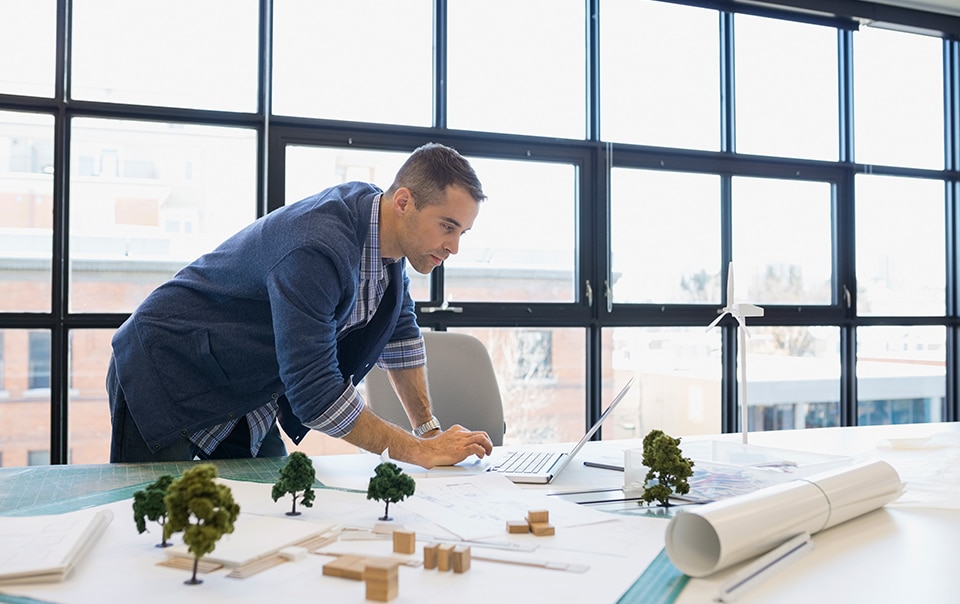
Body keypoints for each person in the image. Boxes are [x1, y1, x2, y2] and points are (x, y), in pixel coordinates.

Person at [107, 142, 494, 468]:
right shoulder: (317, 246)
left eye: (463, 232)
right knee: (152, 522)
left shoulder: (386, 239)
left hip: (241, 393)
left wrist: (428, 431)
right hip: (166, 370)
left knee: (270, 514)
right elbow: (316, 393)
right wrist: (419, 452)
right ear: (405, 202)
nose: (454, 247)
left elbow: (399, 333)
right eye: (447, 226)